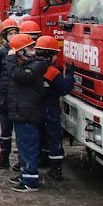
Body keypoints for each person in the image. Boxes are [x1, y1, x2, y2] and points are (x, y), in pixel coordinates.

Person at [5, 34, 47, 192]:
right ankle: (25, 174)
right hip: (21, 112)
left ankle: (30, 179)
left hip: (28, 113)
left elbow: (19, 76)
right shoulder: (29, 65)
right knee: (23, 146)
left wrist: (10, 61)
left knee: (28, 145)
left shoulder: (35, 65)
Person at [34, 36, 74, 180]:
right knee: (54, 138)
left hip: (36, 109)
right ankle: (56, 168)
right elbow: (64, 89)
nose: (57, 57)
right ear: (49, 55)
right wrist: (70, 76)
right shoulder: (52, 72)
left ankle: (42, 158)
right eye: (56, 54)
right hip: (50, 109)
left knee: (40, 136)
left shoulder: (32, 67)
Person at [0, 19, 20, 169]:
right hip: (5, 96)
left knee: (20, 130)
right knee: (5, 128)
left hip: (19, 96)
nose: (13, 36)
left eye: (16, 33)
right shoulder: (2, 52)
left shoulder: (23, 51)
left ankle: (22, 159)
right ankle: (4, 155)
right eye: (10, 33)